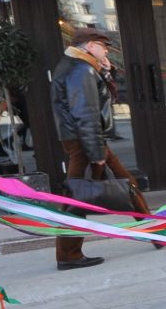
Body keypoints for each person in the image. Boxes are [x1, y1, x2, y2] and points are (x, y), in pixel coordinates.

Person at [51, 29, 151, 270]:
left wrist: (106, 71)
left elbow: (98, 99)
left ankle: (156, 230)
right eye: (104, 47)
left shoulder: (81, 66)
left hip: (88, 140)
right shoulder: (80, 69)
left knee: (126, 182)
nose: (106, 51)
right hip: (85, 142)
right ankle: (68, 254)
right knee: (76, 199)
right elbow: (85, 113)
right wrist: (95, 153)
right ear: (91, 45)